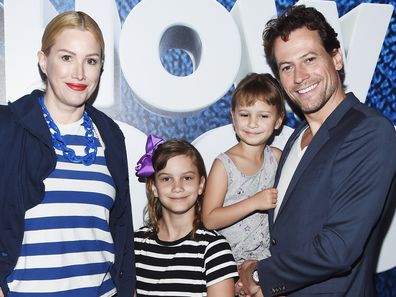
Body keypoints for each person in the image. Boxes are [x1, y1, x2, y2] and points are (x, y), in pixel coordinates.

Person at [236, 5, 396, 297]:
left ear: (336, 58)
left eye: (309, 59)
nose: (299, 76)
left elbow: (339, 248)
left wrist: (260, 275)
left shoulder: (370, 131)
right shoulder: (295, 137)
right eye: (287, 67)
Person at [0, 11, 135, 297]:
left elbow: (121, 229)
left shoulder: (110, 135)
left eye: (91, 61)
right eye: (66, 57)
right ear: (43, 61)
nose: (79, 73)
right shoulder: (8, 127)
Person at [133, 135, 239, 296]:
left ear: (201, 185)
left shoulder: (213, 248)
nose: (177, 187)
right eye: (166, 178)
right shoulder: (136, 244)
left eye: (187, 178)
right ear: (154, 187)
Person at [201, 73, 285, 265]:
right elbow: (209, 219)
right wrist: (254, 202)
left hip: (268, 261)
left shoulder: (277, 157)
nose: (252, 123)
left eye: (263, 116)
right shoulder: (224, 165)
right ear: (233, 116)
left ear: (278, 120)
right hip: (227, 263)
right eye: (245, 115)